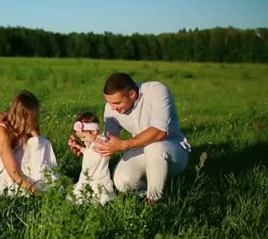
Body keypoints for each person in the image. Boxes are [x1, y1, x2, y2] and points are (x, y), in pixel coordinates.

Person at [68, 73, 191, 204]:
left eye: (117, 103)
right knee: (122, 182)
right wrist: (87, 147)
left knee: (155, 146)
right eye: (109, 103)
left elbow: (159, 132)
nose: (113, 107)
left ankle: (155, 200)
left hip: (172, 150)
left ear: (132, 94)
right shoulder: (111, 108)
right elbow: (108, 143)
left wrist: (124, 145)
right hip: (140, 151)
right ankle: (148, 191)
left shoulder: (156, 91)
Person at [0, 90, 59, 196]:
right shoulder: (1, 131)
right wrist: (36, 192)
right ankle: (37, 188)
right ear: (24, 116)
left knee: (41, 142)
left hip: (4, 162)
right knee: (21, 183)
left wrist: (34, 133)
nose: (35, 120)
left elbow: (38, 146)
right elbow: (14, 173)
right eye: (33, 118)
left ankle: (45, 182)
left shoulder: (20, 123)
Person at [69, 112, 116, 205]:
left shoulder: (102, 142)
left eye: (84, 137)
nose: (82, 140)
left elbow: (108, 154)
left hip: (99, 177)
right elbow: (90, 153)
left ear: (94, 131)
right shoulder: (91, 142)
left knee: (99, 196)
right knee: (78, 195)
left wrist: (109, 152)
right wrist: (80, 148)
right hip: (87, 176)